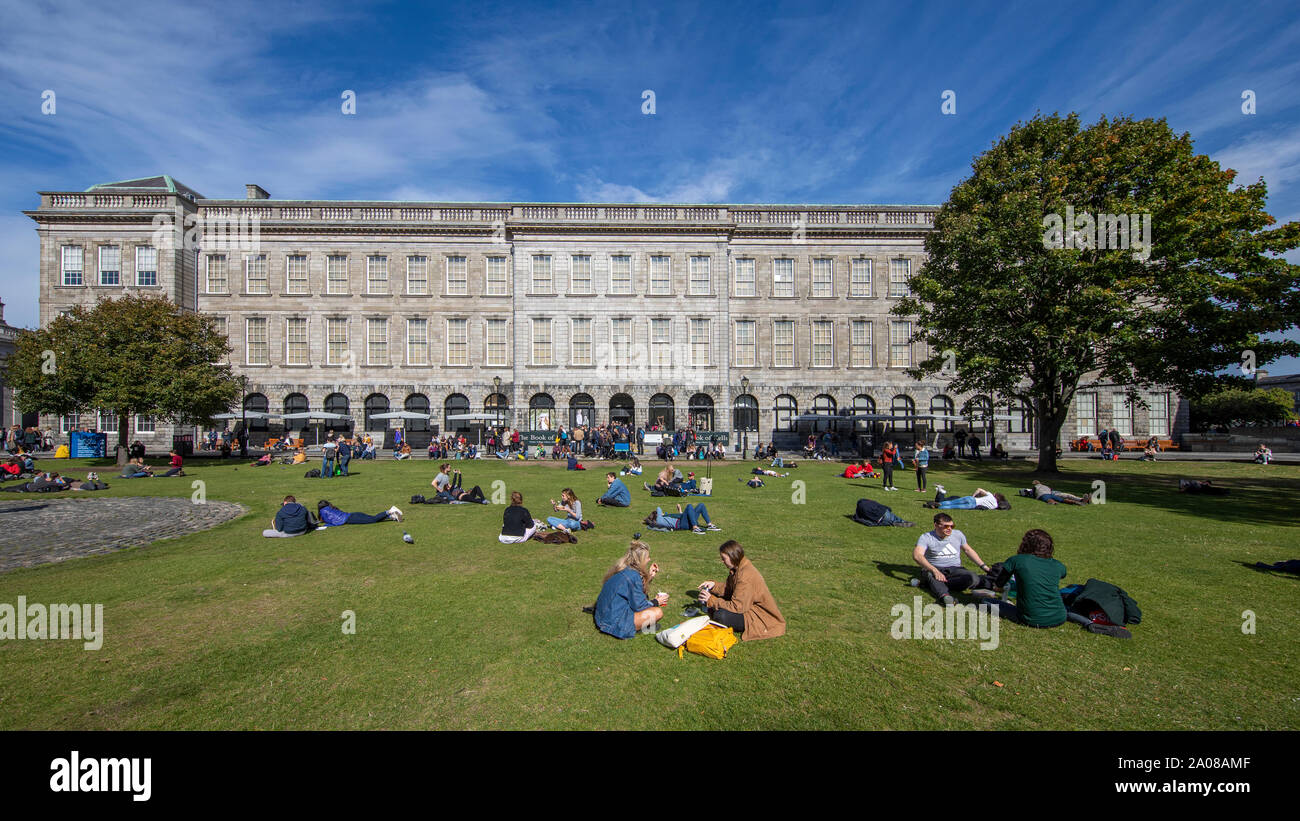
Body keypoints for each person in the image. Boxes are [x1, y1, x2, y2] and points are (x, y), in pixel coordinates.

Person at [990, 530, 1092, 629]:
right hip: (1059, 617)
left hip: (1030, 618)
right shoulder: (1057, 565)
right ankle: (1089, 623)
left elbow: (999, 585)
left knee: (986, 601)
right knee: (1067, 610)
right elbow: (1062, 574)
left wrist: (997, 588)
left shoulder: (1016, 560)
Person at [697, 540, 786, 640]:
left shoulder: (745, 576)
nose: (722, 561)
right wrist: (713, 586)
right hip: (746, 606)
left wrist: (711, 601)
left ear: (732, 556)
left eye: (724, 559)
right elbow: (730, 589)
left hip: (757, 615)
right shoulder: (738, 568)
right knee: (714, 602)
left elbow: (737, 607)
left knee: (721, 615)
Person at [912, 512, 996, 605]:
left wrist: (984, 567)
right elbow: (917, 555)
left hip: (955, 569)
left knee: (972, 578)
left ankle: (933, 584)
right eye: (946, 526)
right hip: (934, 568)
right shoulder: (926, 537)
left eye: (952, 526)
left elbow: (968, 550)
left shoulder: (958, 535)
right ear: (936, 525)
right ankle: (945, 597)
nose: (949, 529)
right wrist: (934, 570)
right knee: (931, 575)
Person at [593, 541, 667, 639]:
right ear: (641, 560)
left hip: (602, 615)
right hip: (612, 622)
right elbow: (640, 607)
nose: (649, 559)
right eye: (647, 557)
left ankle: (641, 626)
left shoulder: (624, 568)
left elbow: (634, 591)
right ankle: (637, 628)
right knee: (657, 612)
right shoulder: (633, 576)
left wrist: (649, 577)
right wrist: (656, 602)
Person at [643, 502, 719, 534]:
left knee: (701, 505)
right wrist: (659, 513)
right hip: (681, 525)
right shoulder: (660, 520)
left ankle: (710, 525)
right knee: (689, 506)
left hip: (684, 521)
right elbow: (658, 508)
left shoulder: (665, 517)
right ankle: (695, 528)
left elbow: (682, 516)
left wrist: (679, 510)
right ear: (657, 515)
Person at [316, 499, 403, 526]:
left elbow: (330, 521)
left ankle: (390, 511)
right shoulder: (331, 508)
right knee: (372, 518)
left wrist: (324, 525)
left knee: (372, 519)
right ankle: (392, 517)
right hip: (353, 515)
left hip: (350, 519)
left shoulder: (323, 511)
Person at [924, 484, 1009, 510]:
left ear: (995, 495)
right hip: (972, 505)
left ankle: (938, 503)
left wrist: (973, 496)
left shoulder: (990, 495)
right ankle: (937, 507)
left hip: (971, 499)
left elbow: (979, 489)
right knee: (953, 506)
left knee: (952, 502)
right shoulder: (994, 506)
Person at [1022, 479, 1091, 505]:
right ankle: (1079, 502)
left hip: (1049, 494)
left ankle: (1082, 501)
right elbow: (1050, 490)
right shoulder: (1046, 486)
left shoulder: (1035, 487)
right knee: (1066, 498)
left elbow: (1033, 494)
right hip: (1052, 493)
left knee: (1065, 496)